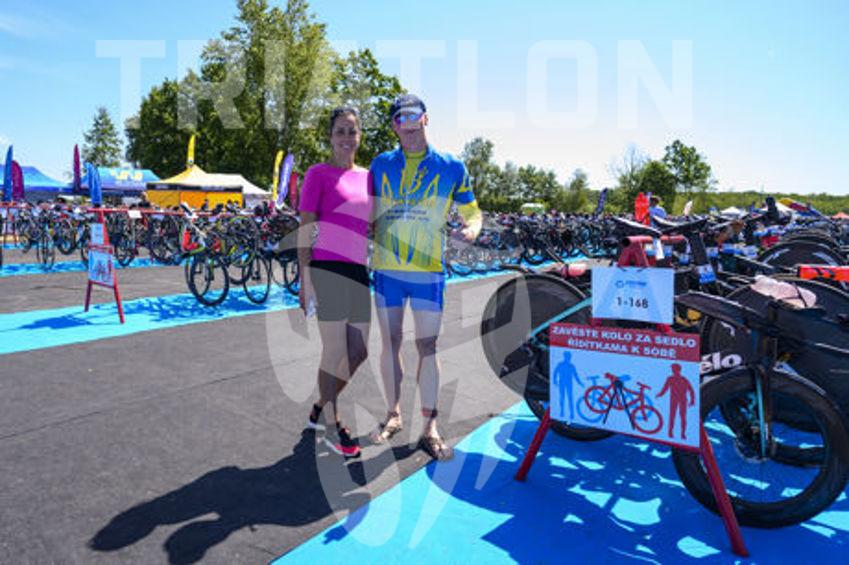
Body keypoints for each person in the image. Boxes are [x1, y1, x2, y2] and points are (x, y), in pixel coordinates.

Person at [368, 94, 482, 461]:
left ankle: (430, 427)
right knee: (390, 343)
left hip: (428, 272)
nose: (407, 123)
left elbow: (472, 212)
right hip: (387, 270)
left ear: (426, 119)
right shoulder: (380, 164)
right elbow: (366, 210)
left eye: (413, 115)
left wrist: (472, 229)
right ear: (394, 126)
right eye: (399, 118)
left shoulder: (451, 166)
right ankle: (393, 414)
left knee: (428, 347)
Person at [297, 106, 372, 459]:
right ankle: (332, 424)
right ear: (330, 137)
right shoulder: (318, 174)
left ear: (359, 137)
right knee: (334, 352)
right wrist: (305, 279)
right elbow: (305, 228)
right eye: (340, 131)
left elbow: (372, 224)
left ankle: (320, 406)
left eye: (351, 131)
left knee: (358, 352)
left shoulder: (368, 177)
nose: (346, 137)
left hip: (358, 271)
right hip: (327, 270)